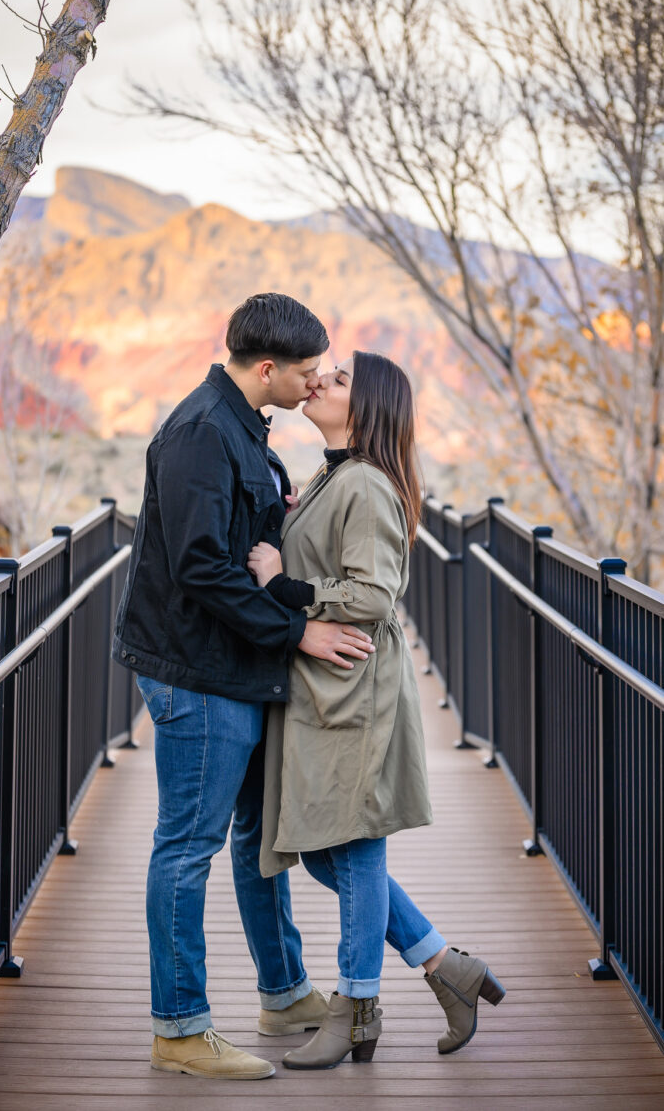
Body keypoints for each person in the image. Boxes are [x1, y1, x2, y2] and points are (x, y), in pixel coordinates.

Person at [113, 294, 375, 1080]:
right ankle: (181, 1026)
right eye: (306, 372)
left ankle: (284, 991)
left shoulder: (242, 428)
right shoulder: (201, 432)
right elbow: (200, 570)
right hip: (200, 673)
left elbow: (236, 538)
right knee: (186, 846)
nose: (315, 382)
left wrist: (278, 520)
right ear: (268, 369)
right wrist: (300, 630)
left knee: (259, 839)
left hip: (240, 668)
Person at [247, 350, 506, 1070]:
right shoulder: (339, 477)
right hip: (329, 692)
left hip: (353, 692)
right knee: (332, 857)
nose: (322, 380)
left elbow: (371, 596)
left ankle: (356, 1008)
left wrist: (284, 583)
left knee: (355, 851)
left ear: (368, 408)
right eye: (324, 372)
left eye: (340, 378)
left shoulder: (364, 483)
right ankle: (443, 965)